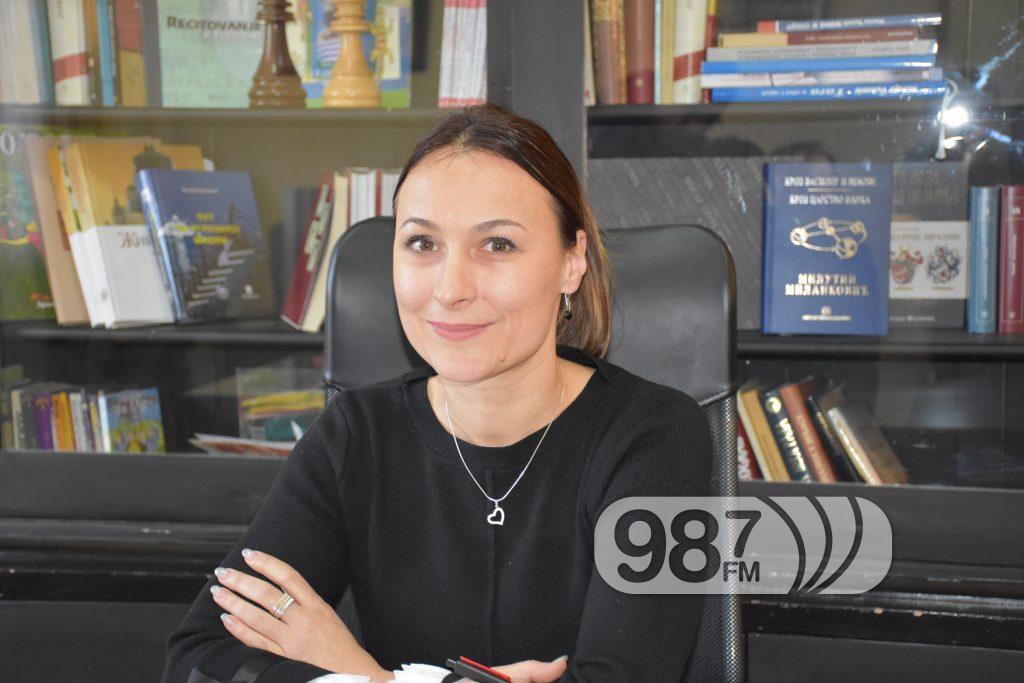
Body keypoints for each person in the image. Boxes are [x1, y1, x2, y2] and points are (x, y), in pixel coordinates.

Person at [162, 103, 714, 683]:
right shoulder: (356, 434)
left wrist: (368, 676)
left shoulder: (658, 437)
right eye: (422, 243)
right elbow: (200, 659)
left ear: (571, 263)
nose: (451, 289)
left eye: (497, 245)